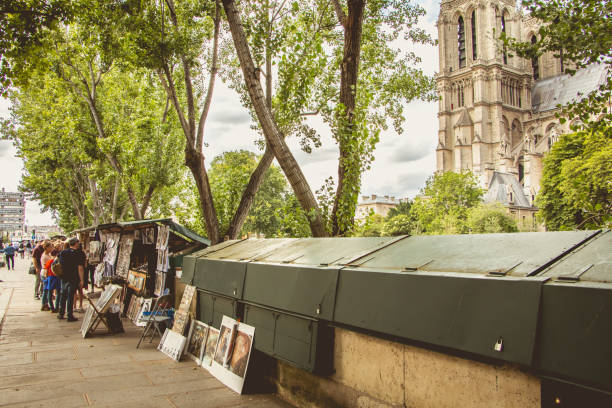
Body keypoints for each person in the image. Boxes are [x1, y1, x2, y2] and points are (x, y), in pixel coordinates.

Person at [57, 237, 85, 322]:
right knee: (70, 296)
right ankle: (69, 315)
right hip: (73, 277)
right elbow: (80, 267)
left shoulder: (63, 252)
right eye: (78, 242)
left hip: (64, 276)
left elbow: (58, 263)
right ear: (76, 243)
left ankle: (61, 313)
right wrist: (82, 279)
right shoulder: (78, 253)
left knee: (63, 295)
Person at [41, 248, 60, 312]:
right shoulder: (58, 261)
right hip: (56, 277)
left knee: (50, 292)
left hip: (50, 277)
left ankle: (52, 307)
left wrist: (46, 277)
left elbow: (46, 270)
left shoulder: (50, 261)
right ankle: (57, 307)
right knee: (58, 293)